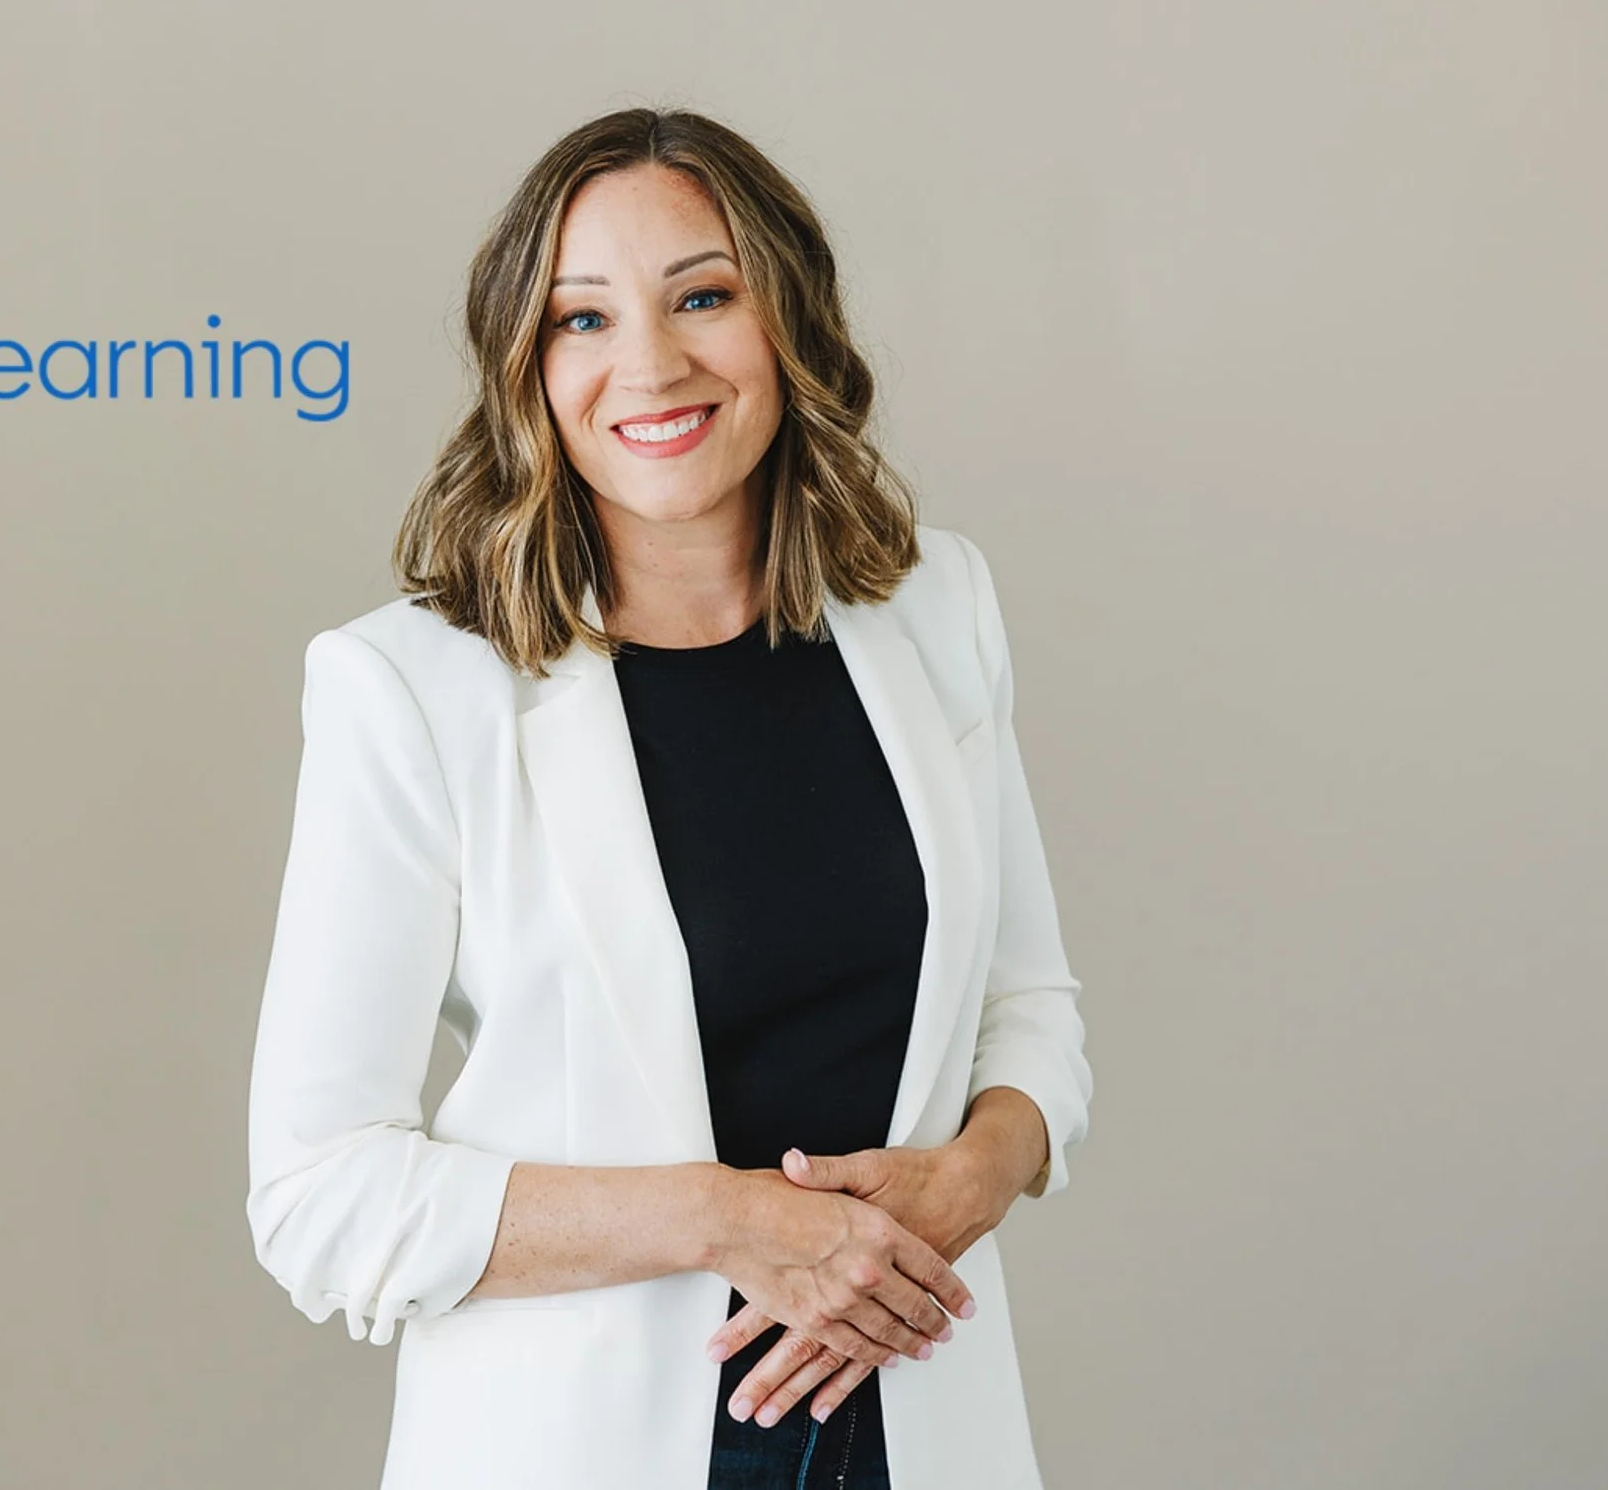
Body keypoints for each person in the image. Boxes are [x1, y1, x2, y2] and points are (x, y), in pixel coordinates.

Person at [245, 106, 1092, 1490]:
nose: (649, 361)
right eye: (582, 319)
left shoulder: (938, 610)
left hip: (916, 1426)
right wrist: (718, 1221)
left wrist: (976, 1176)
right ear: (527, 366)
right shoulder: (411, 690)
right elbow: (319, 1197)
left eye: (702, 295)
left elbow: (1030, 1008)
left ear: (789, 325)